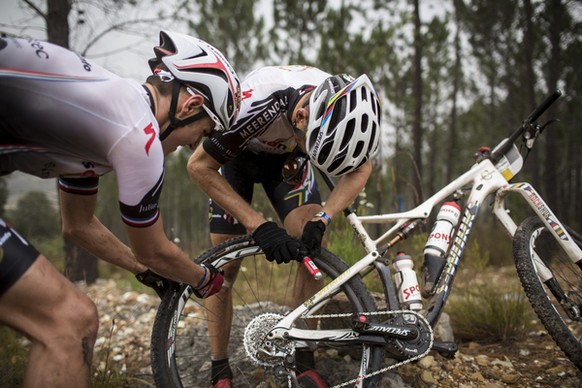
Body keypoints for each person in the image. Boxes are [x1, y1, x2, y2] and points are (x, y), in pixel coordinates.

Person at [0, 30, 240, 387]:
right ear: (189, 107)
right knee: (70, 322)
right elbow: (155, 249)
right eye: (203, 133)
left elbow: (78, 224)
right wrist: (205, 280)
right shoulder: (138, 133)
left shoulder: (109, 113)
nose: (195, 147)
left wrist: (141, 269)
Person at [187, 65, 381, 388]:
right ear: (302, 117)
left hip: (286, 161)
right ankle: (219, 368)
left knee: (311, 247)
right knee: (226, 268)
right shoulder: (253, 107)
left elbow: (362, 169)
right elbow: (198, 166)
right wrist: (258, 225)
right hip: (236, 158)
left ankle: (303, 358)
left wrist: (324, 218)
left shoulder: (337, 104)